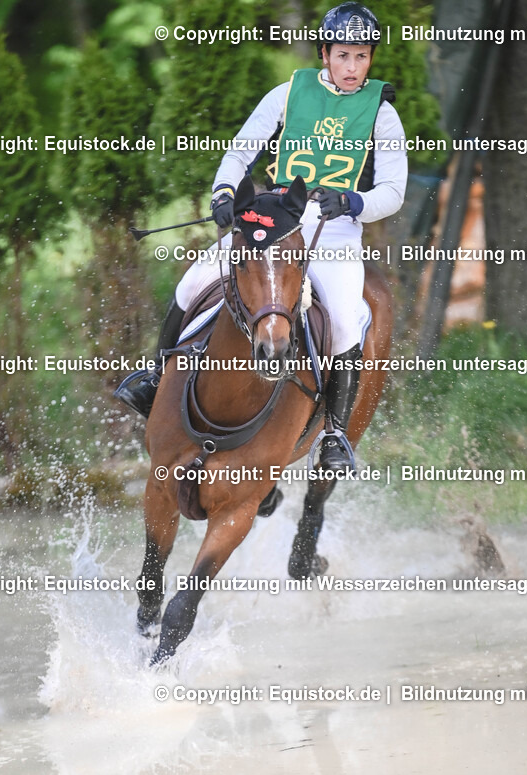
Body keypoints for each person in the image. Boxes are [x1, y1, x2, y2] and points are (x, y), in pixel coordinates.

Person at [120, 2, 407, 469]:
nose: (352, 67)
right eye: (343, 55)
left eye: (361, 56)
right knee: (192, 281)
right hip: (275, 220)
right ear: (324, 53)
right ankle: (154, 379)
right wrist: (223, 192)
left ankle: (333, 434)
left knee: (346, 319)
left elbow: (393, 191)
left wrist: (353, 202)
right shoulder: (287, 94)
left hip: (334, 233)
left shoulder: (382, 113)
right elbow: (240, 150)